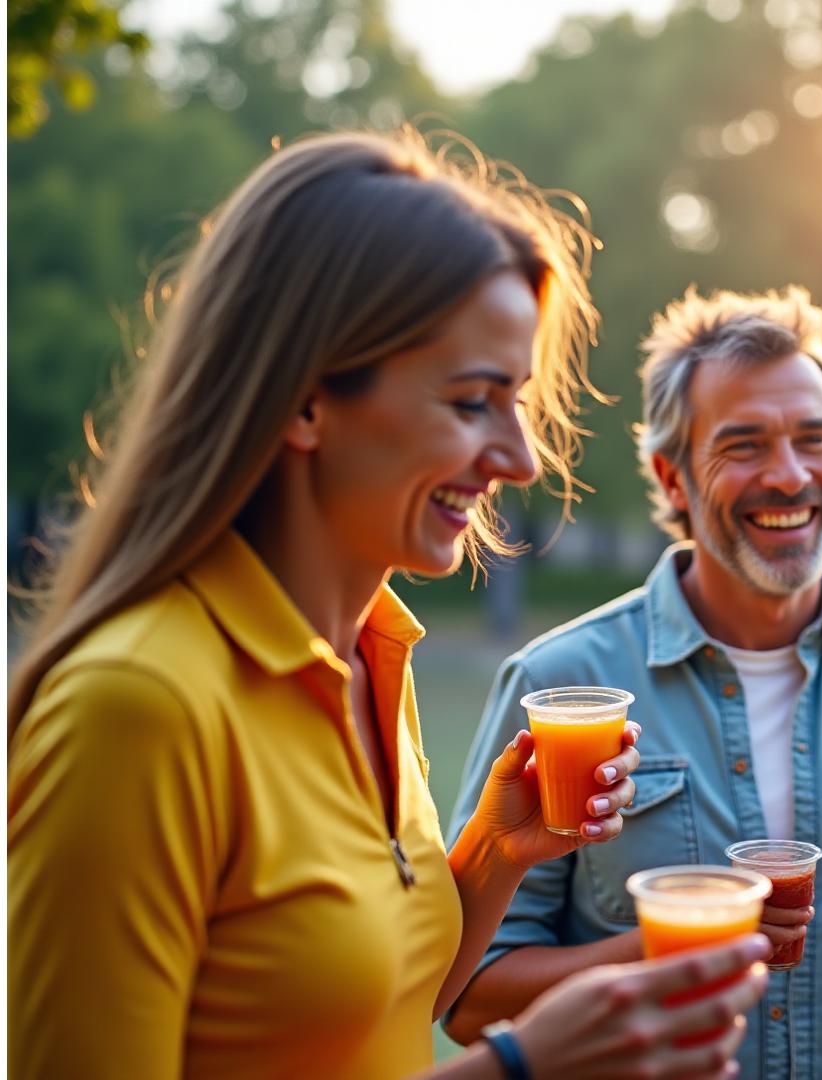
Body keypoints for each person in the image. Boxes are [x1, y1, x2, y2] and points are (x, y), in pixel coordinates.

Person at [8, 129, 773, 1080]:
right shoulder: (135, 705)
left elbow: (370, 1001)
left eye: (518, 402)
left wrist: (495, 852)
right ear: (306, 402)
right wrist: (522, 1069)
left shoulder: (367, 655)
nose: (520, 459)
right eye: (468, 402)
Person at [441, 286, 822, 1078]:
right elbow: (467, 999)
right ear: (673, 478)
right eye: (743, 446)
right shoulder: (561, 681)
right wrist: (673, 945)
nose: (789, 475)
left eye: (816, 439)